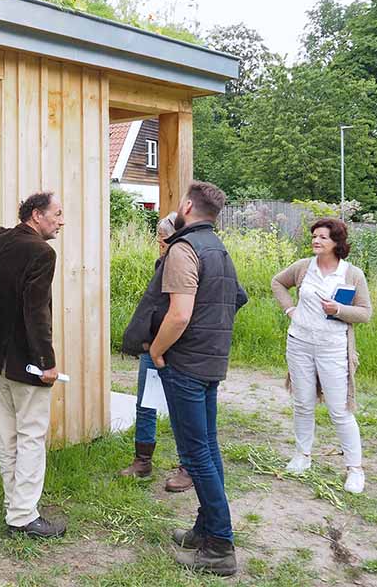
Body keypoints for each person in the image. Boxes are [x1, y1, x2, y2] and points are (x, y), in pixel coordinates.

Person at [123, 181, 247, 576]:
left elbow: (179, 314)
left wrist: (157, 350)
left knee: (196, 456)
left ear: (189, 206)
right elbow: (233, 300)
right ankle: (206, 528)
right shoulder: (219, 248)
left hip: (187, 366)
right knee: (207, 449)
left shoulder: (183, 248)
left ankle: (220, 548)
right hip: (210, 364)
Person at [0, 191, 66, 538]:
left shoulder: (0, 239)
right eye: (56, 214)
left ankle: (15, 508)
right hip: (24, 365)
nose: (61, 221)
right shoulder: (42, 253)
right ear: (35, 215)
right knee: (29, 437)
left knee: (8, 436)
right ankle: (24, 516)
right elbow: (36, 312)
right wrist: (46, 363)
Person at [271, 218, 372, 494]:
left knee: (340, 410)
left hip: (333, 348)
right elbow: (277, 282)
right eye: (315, 236)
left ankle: (355, 469)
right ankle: (302, 456)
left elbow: (365, 312)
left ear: (337, 243)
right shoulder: (304, 267)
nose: (316, 241)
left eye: (323, 238)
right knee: (303, 404)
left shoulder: (352, 274)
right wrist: (290, 310)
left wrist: (338, 310)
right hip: (299, 343)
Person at [119, 212, 193, 494]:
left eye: (164, 240)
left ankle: (188, 467)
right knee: (146, 404)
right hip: (154, 346)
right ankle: (143, 462)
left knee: (183, 408)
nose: (160, 245)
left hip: (182, 349)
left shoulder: (195, 262)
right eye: (159, 240)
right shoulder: (161, 263)